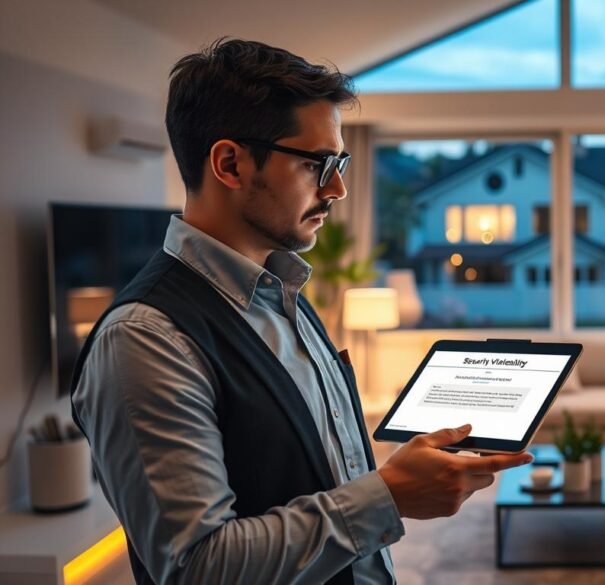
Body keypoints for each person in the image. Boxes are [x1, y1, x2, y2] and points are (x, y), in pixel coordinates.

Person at [70, 38, 533, 585]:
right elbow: (199, 567)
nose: (337, 188)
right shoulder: (145, 340)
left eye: (341, 163)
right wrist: (389, 495)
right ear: (230, 164)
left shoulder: (283, 289)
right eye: (319, 164)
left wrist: (395, 483)